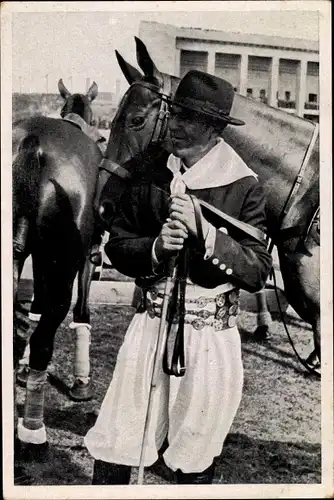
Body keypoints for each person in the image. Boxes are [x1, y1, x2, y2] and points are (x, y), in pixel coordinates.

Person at [84, 70, 273, 484]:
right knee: (118, 440)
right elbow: (119, 243)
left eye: (190, 118)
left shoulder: (244, 186)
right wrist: (156, 247)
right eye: (176, 113)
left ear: (215, 129)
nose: (176, 124)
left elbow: (258, 271)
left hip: (210, 341)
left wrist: (206, 235)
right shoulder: (149, 169)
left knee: (192, 456)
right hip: (149, 328)